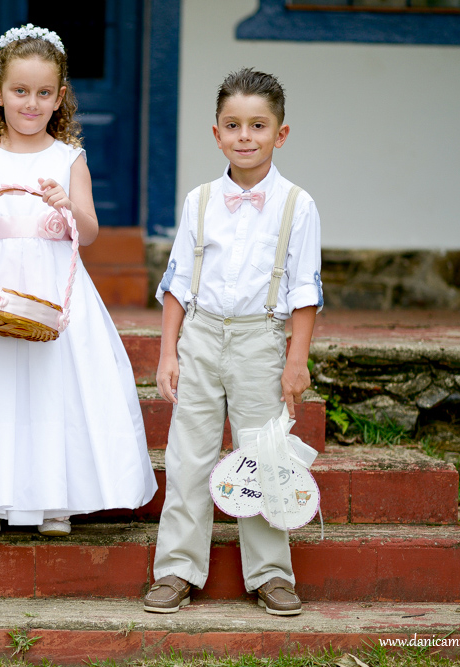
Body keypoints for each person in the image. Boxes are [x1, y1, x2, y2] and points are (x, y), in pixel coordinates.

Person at [0, 24, 157, 537]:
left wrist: (68, 209)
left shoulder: (69, 159)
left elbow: (87, 232)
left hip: (51, 289)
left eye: (44, 94)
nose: (31, 103)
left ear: (60, 97)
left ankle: (52, 499)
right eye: (21, 91)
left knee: (51, 388)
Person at [144, 68, 322, 616]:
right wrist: (168, 352)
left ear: (280, 134)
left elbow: (304, 290)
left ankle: (270, 573)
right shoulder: (199, 200)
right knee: (188, 455)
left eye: (258, 125)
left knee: (262, 456)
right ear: (216, 133)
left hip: (259, 340)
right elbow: (177, 281)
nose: (245, 136)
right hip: (200, 333)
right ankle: (176, 568)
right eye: (233, 125)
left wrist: (297, 359)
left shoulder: (298, 205)